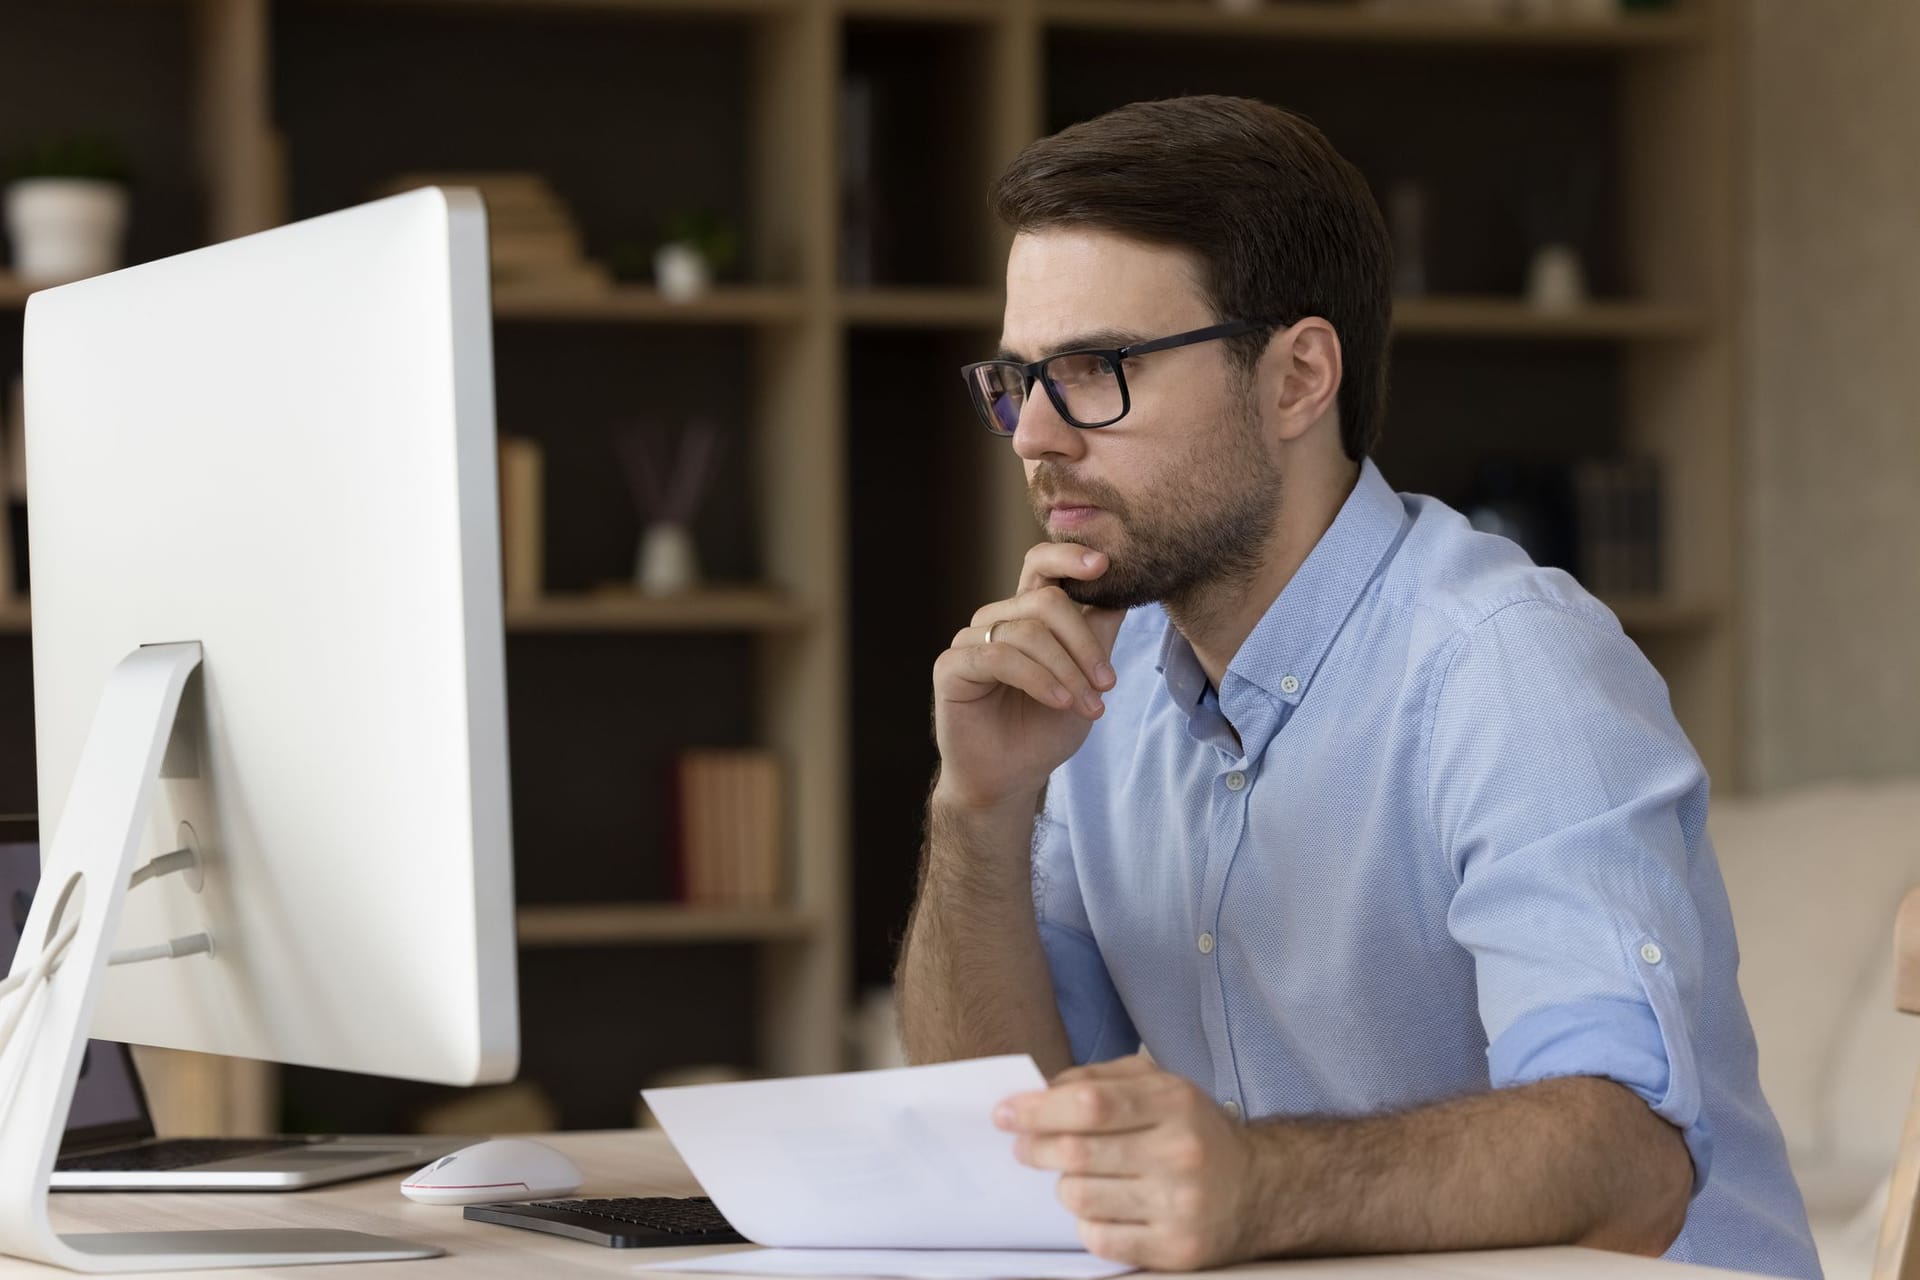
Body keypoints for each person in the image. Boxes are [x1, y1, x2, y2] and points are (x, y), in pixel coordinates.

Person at [894, 95, 1818, 1279]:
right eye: (1020, 379)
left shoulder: (1509, 663)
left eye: (1098, 369)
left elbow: (1627, 1161)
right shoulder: (1098, 681)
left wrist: (1258, 1182)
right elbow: (1017, 1133)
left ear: (1296, 378)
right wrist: (977, 812)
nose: (1034, 436)